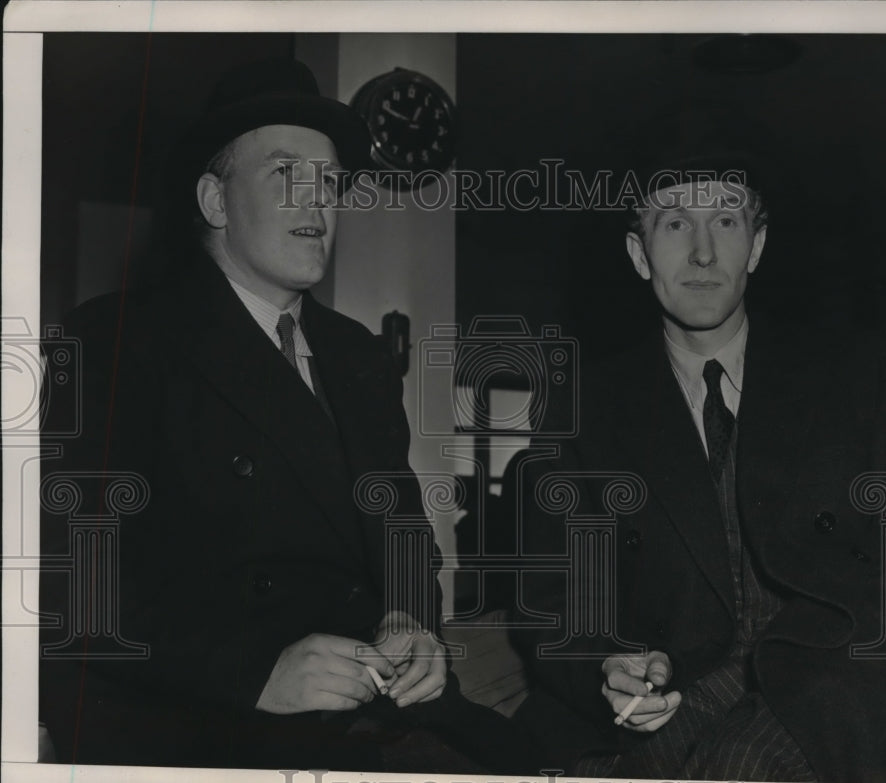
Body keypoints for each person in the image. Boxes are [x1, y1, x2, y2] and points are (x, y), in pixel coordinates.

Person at [39, 58, 534, 773]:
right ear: (214, 200)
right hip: (203, 719)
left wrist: (409, 618)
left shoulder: (357, 354)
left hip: (370, 705)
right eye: (284, 174)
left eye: (329, 182)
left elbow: (401, 534)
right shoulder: (115, 342)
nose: (317, 201)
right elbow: (73, 585)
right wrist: (257, 673)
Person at [511, 156, 886, 781]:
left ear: (756, 246)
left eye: (725, 221)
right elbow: (555, 602)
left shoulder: (851, 374)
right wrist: (607, 664)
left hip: (836, 684)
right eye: (675, 224)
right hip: (672, 691)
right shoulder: (581, 408)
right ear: (638, 252)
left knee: (736, 767)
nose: (703, 254)